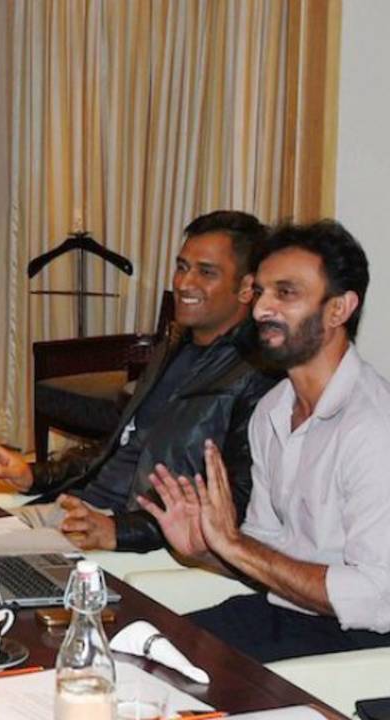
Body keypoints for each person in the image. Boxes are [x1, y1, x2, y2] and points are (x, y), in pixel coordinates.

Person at [141, 220, 390, 662]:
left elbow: (376, 597)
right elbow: (265, 551)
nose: (261, 310)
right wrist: (206, 549)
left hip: (359, 642)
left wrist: (234, 545)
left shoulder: (374, 427)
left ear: (339, 310)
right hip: (284, 614)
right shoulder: (273, 409)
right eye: (261, 292)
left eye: (286, 293)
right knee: (137, 652)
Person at [0, 211, 278, 552]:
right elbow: (115, 447)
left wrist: (117, 531)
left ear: (247, 287)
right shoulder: (172, 349)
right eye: (181, 267)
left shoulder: (257, 376)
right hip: (77, 511)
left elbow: (235, 502)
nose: (184, 283)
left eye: (206, 272)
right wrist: (33, 475)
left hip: (124, 531)